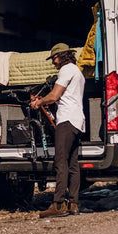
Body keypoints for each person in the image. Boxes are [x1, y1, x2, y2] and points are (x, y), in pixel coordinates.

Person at [30, 43, 85, 218]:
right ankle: (73, 204)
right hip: (77, 121)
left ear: (61, 56)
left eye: (54, 58)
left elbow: (54, 96)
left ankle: (59, 204)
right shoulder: (77, 71)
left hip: (67, 120)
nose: (54, 62)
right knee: (73, 164)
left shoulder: (66, 70)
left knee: (60, 162)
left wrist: (39, 102)